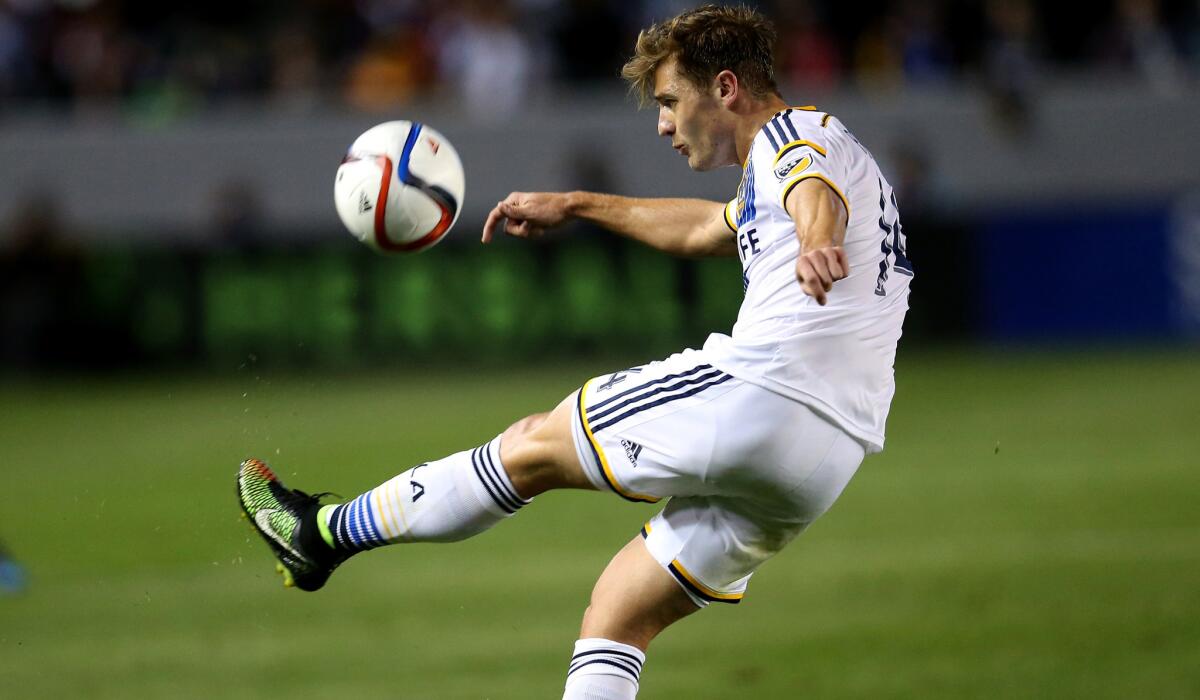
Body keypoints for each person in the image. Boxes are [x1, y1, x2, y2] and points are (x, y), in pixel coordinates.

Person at [237, 5, 912, 698]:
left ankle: (321, 535)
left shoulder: (791, 135)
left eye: (670, 101)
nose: (662, 123)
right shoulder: (815, 157)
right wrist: (579, 205)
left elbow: (812, 191)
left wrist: (818, 240)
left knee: (530, 447)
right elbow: (708, 227)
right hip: (828, 456)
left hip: (766, 393)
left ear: (728, 88)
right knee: (619, 612)